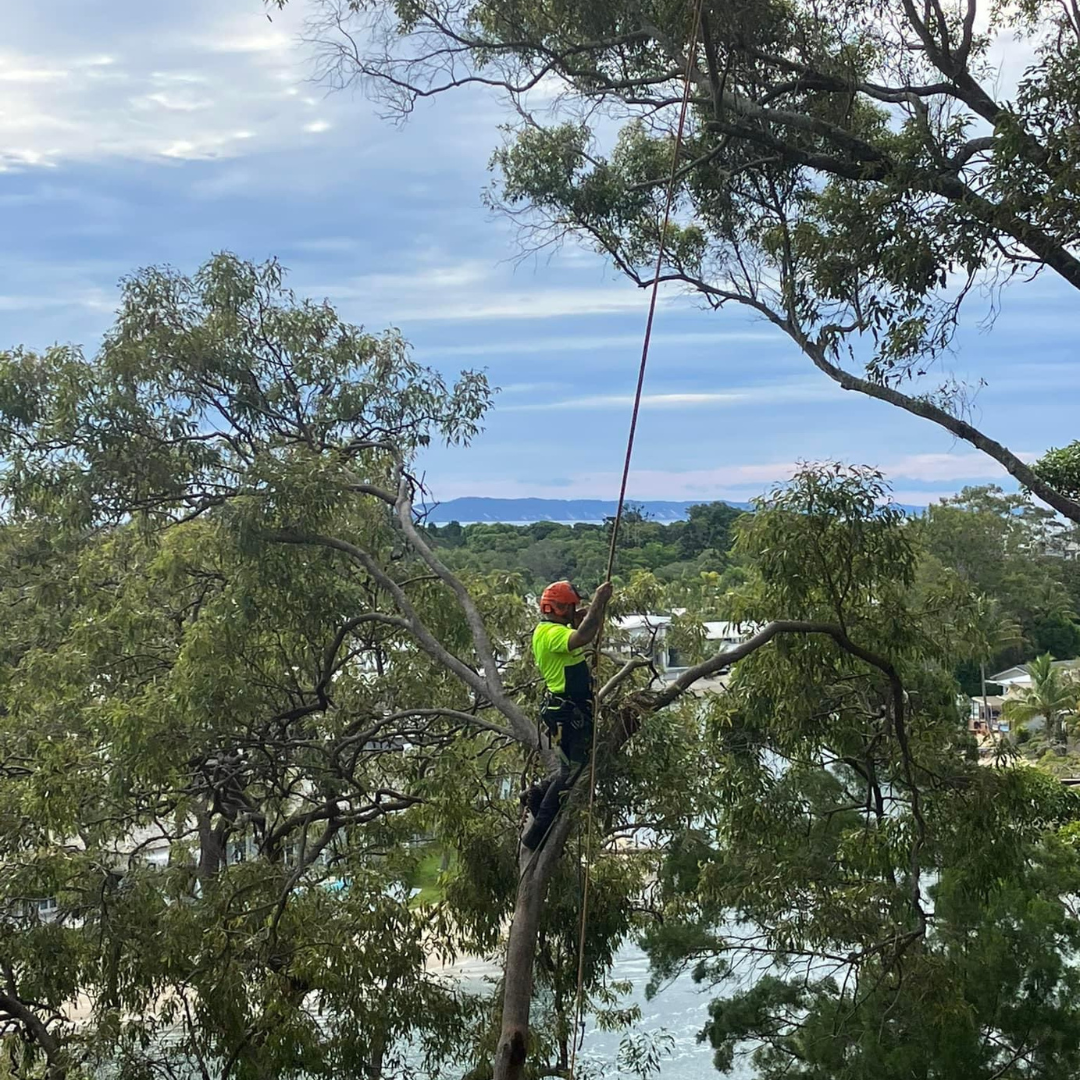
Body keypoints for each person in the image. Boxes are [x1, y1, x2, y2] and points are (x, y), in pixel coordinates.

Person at [521, 578, 613, 850]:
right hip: (567, 711)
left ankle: (537, 794)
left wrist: (586, 615)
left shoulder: (546, 630)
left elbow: (579, 631)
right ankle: (537, 833)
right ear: (562, 609)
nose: (576, 613)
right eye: (573, 609)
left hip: (564, 709)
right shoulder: (552, 634)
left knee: (569, 767)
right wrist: (599, 602)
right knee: (574, 772)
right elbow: (582, 636)